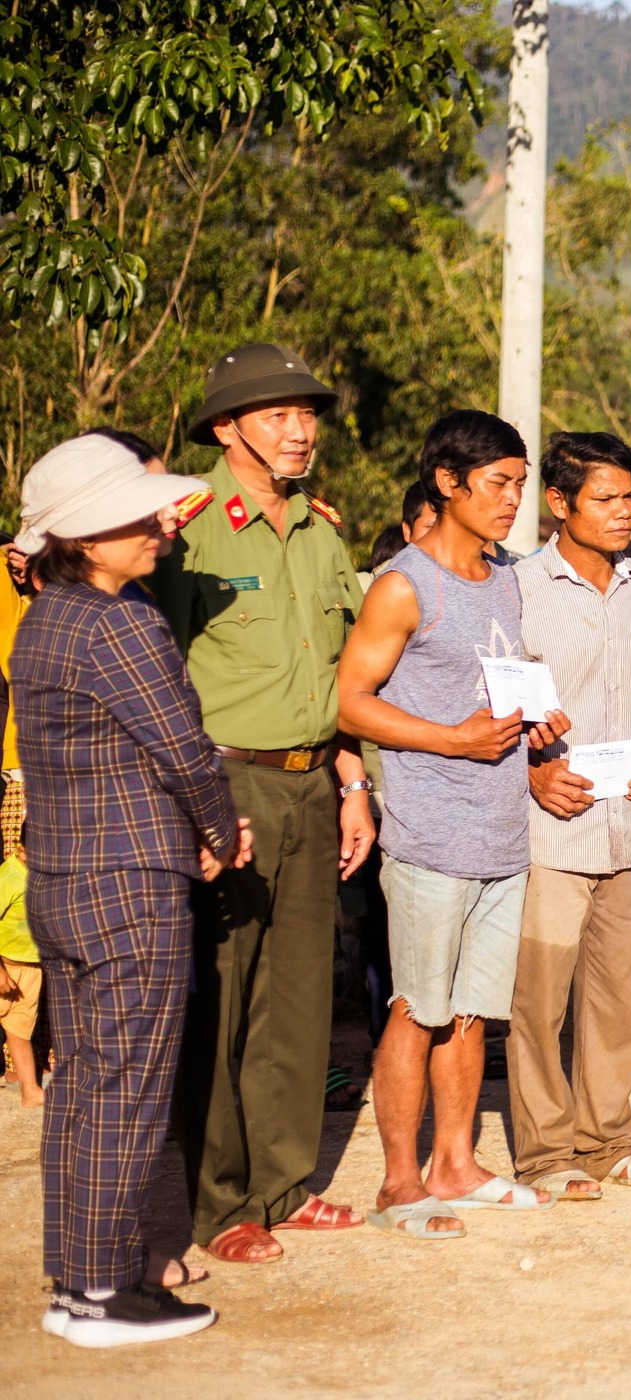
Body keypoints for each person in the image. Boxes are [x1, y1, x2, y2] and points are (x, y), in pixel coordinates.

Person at [15, 434, 250, 1345]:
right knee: (128, 1095)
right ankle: (108, 1295)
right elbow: (184, 751)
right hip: (129, 891)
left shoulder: (46, 620)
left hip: (67, 885)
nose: (161, 523)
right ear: (82, 535)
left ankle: (80, 1286)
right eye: (135, 515)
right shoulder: (122, 622)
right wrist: (222, 833)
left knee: (83, 1094)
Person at [155, 343, 375, 1264]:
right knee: (227, 994)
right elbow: (151, 674)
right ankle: (221, 1203)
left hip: (315, 781)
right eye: (279, 414)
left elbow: (346, 671)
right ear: (227, 427)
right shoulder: (186, 530)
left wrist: (354, 782)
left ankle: (286, 1187)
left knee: (298, 995)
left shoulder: (324, 534)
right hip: (226, 780)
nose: (300, 430)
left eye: (307, 413)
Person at [338, 410, 566, 1237]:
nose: (515, 499)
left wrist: (533, 714)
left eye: (520, 481)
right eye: (500, 483)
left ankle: (457, 1163)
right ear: (448, 482)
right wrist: (452, 739)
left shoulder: (505, 575)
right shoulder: (403, 585)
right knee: (417, 1008)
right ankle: (402, 1182)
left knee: (472, 1012)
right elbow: (350, 702)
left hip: (503, 832)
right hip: (431, 835)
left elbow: (495, 673)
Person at [509, 432, 631, 1200]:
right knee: (539, 1003)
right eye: (603, 499)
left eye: (628, 498)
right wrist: (534, 773)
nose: (621, 513)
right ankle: (544, 1155)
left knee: (620, 997)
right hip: (553, 832)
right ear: (559, 503)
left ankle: (607, 1138)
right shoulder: (517, 589)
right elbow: (502, 709)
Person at [0, 847, 38, 1107]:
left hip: (32, 968)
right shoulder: (8, 876)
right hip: (5, 965)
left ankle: (30, 1090)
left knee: (20, 1030)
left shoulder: (42, 877)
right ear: (21, 848)